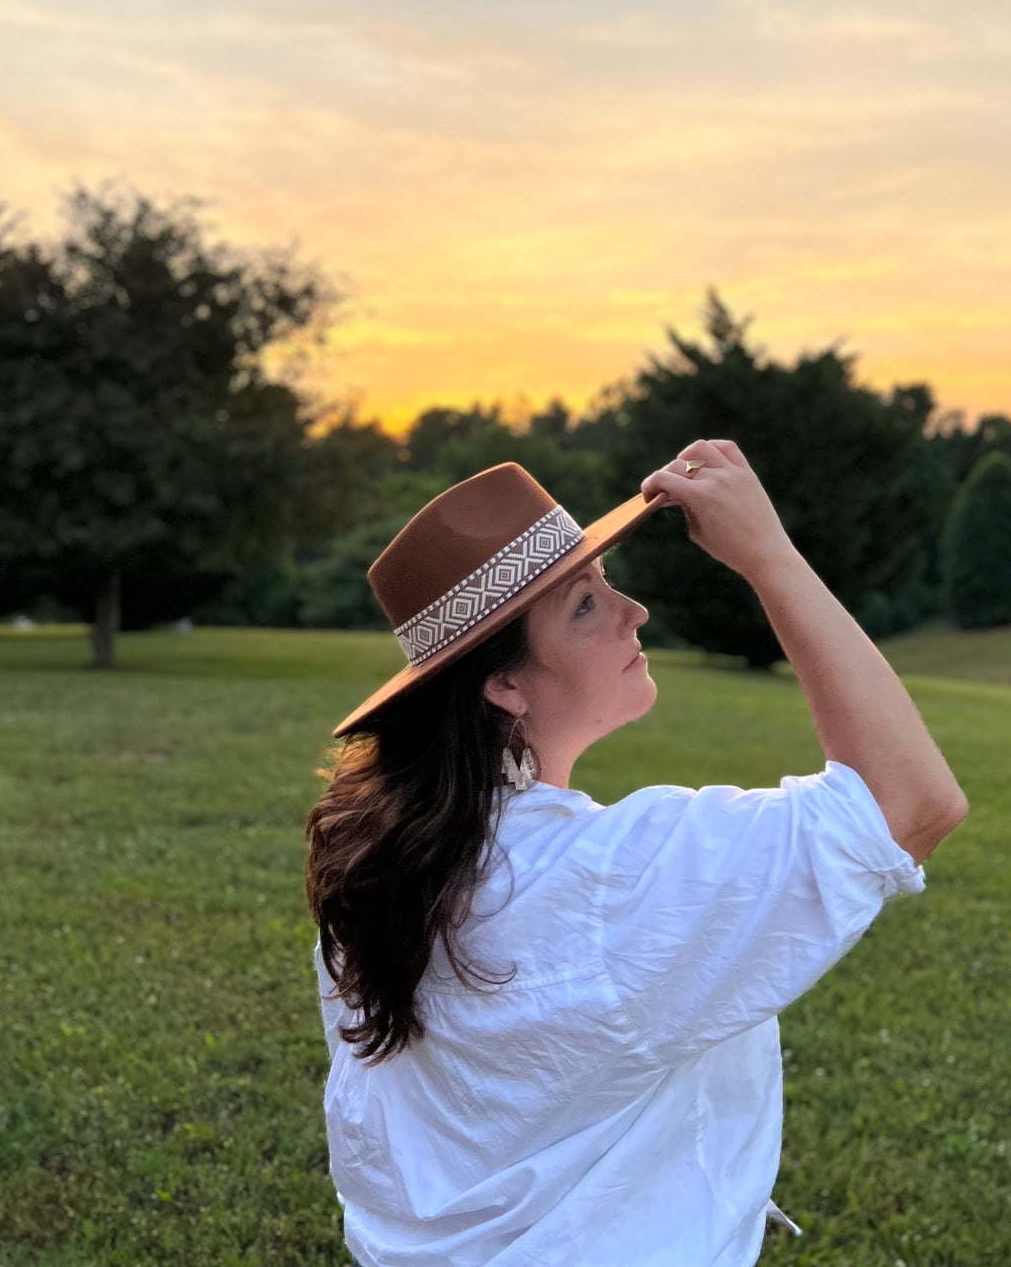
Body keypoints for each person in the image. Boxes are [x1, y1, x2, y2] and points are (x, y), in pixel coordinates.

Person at [307, 437, 969, 1267]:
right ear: (504, 685)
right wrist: (769, 558)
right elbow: (910, 802)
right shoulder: (602, 879)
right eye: (584, 604)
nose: (633, 612)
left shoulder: (381, 868)